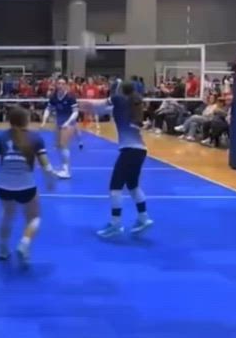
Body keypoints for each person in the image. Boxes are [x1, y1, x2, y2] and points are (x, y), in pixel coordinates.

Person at [0, 105, 59, 265]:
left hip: (3, 187)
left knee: (6, 215)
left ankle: (2, 250)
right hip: (26, 187)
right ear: (26, 121)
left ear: (9, 121)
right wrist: (50, 182)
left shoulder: (0, 137)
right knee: (34, 218)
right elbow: (47, 166)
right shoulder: (36, 138)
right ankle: (24, 243)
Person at [83, 80, 155, 239]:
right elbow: (105, 109)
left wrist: (82, 104)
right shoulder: (131, 104)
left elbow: (100, 105)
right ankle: (144, 218)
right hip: (140, 151)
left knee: (115, 187)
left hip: (129, 150)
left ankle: (115, 224)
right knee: (133, 186)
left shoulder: (119, 100)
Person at [42, 79, 80, 179]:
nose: (61, 85)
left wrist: (67, 122)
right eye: (59, 83)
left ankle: (66, 171)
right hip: (58, 122)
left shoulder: (70, 97)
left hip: (69, 123)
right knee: (58, 146)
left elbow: (75, 112)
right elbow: (48, 108)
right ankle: (64, 167)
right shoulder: (54, 97)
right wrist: (44, 120)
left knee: (64, 145)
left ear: (66, 85)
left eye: (63, 84)